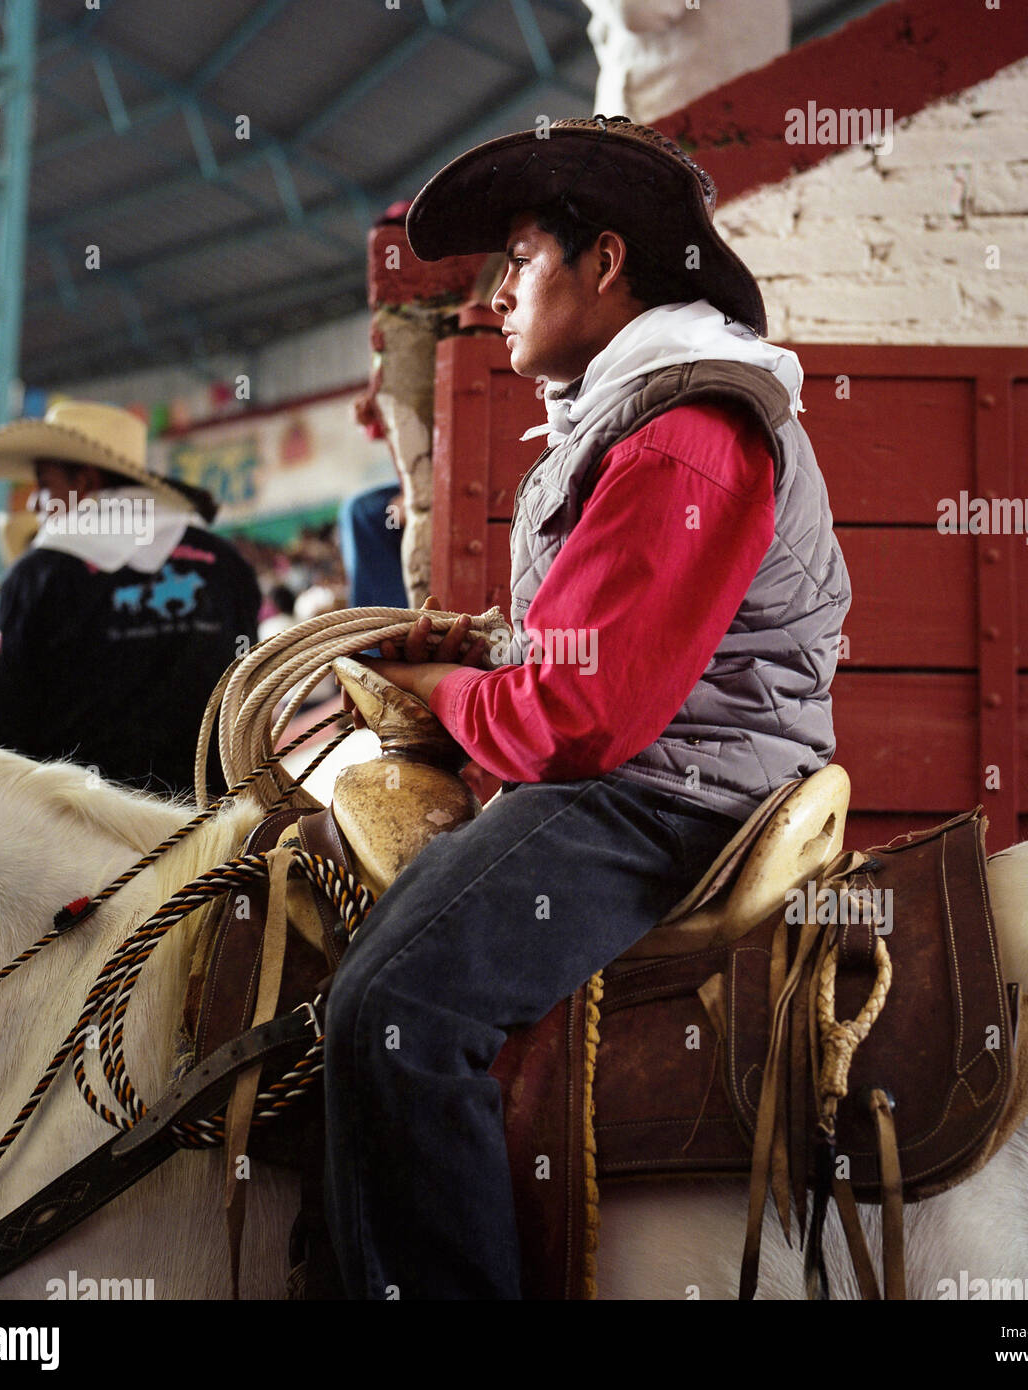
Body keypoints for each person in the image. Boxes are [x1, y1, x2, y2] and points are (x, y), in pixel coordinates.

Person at [322, 115, 851, 1299]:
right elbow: (586, 641)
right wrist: (480, 651)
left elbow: (580, 716)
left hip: (665, 794)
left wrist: (445, 691)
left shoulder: (684, 438)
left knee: (390, 1006)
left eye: (520, 261)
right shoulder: (644, 414)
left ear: (604, 264)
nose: (500, 294)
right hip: (669, 763)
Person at [0, 399, 260, 799]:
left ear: (85, 482)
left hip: (86, 830)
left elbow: (9, 724)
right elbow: (247, 693)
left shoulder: (37, 576)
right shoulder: (227, 563)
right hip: (215, 823)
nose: (35, 503)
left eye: (43, 485)